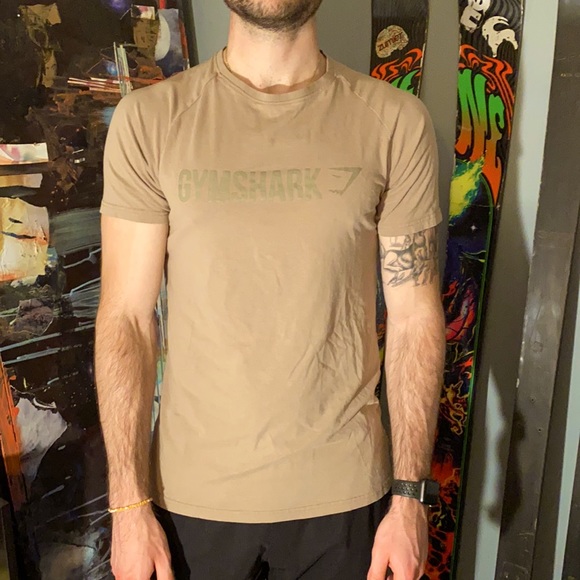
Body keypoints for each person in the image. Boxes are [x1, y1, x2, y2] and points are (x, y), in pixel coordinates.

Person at [95, 0, 446, 578]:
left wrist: (410, 497)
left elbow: (415, 319)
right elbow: (127, 319)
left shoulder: (394, 121)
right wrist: (128, 507)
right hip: (189, 501)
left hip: (343, 497)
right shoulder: (150, 120)